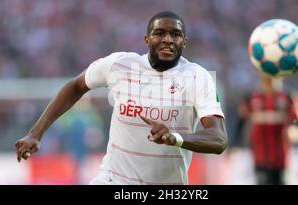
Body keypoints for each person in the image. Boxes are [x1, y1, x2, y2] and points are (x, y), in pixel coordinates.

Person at [15, 11, 228, 185]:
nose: (167, 40)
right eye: (159, 33)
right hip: (112, 180)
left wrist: (176, 138)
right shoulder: (120, 65)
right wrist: (36, 133)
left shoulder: (197, 77)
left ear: (185, 41)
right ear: (147, 39)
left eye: (175, 34)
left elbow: (218, 139)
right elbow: (75, 86)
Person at [234, 71, 298, 185]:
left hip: (281, 159)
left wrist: (295, 131)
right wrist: (235, 145)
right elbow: (241, 122)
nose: (270, 78)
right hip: (260, 158)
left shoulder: (289, 97)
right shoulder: (251, 98)